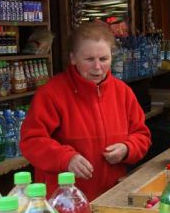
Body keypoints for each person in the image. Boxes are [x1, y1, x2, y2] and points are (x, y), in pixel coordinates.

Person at [20, 22, 151, 201]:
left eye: (104, 59)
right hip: (64, 201)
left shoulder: (123, 92)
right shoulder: (51, 93)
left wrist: (127, 149)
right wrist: (66, 158)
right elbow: (31, 141)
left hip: (111, 196)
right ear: (73, 58)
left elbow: (142, 135)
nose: (97, 67)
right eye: (89, 60)